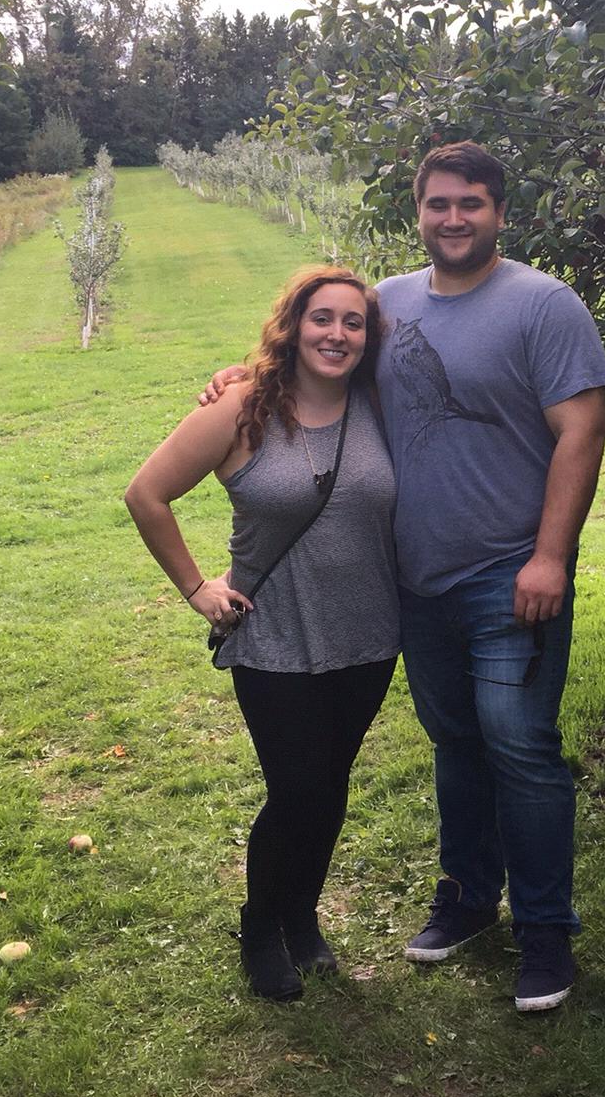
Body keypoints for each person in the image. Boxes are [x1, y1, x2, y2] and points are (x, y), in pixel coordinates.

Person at [205, 142, 605, 1012]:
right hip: (416, 584)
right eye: (438, 204)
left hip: (511, 573)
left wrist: (550, 556)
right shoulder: (385, 305)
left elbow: (582, 430)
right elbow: (320, 359)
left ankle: (546, 933)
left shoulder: (544, 305)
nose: (453, 218)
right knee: (456, 744)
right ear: (418, 211)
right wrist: (240, 379)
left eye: (471, 203)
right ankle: (468, 898)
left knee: (521, 746)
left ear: (500, 211)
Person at [124, 265, 399, 1002]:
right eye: (322, 318)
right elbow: (146, 494)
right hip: (276, 636)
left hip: (371, 635)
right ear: (293, 325)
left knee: (330, 785)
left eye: (353, 323)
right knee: (297, 785)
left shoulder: (380, 404)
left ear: (368, 338)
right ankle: (260, 926)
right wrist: (196, 586)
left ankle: (302, 918)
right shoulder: (244, 408)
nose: (336, 334)